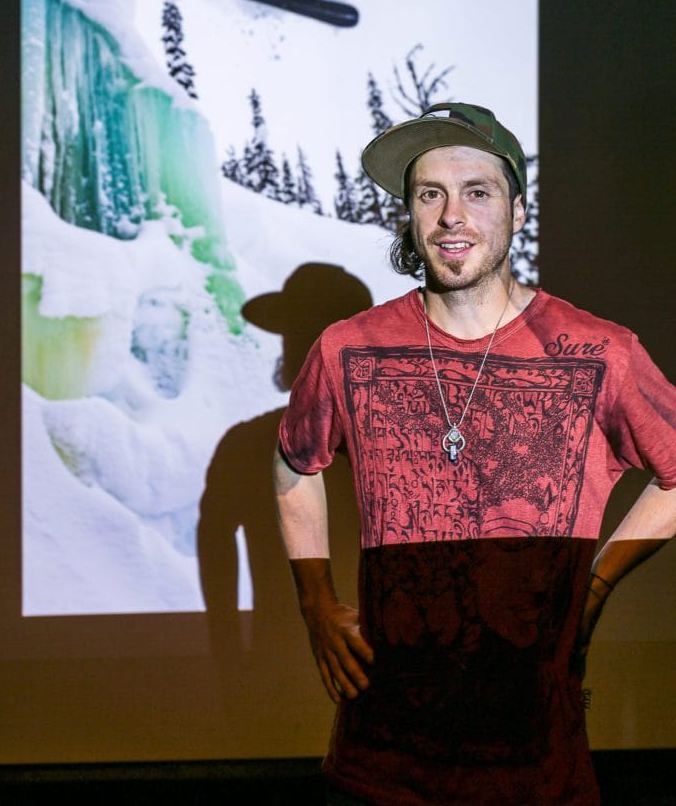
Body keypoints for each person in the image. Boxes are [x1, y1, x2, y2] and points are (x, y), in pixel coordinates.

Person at [273, 102, 676, 806]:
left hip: (536, 770)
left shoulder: (599, 352)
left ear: (517, 212)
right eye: (430, 195)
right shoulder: (348, 347)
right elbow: (294, 465)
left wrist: (599, 586)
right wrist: (315, 600)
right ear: (410, 215)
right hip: (380, 766)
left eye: (477, 193)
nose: (450, 215)